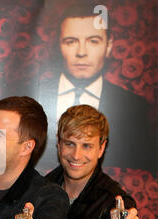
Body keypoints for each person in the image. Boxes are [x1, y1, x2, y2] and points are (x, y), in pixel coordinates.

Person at [35, 3, 156, 173]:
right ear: (59, 46)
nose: (82, 52)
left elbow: (142, 167)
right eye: (71, 41)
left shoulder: (134, 106)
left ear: (109, 46)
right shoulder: (34, 95)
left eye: (93, 41)